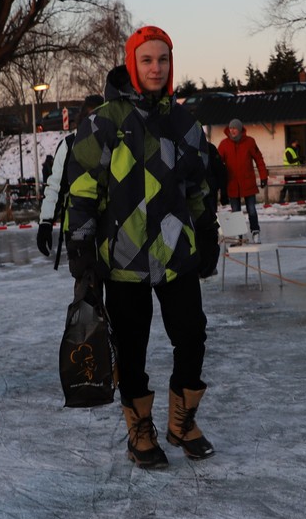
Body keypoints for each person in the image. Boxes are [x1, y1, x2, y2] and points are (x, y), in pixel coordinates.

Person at [63, 26, 219, 468]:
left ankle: (182, 422)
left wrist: (207, 232)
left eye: (163, 59)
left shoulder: (185, 123)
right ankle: (140, 429)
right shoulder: (104, 121)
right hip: (123, 257)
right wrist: (81, 246)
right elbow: (83, 189)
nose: (156, 68)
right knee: (131, 348)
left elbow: (198, 188)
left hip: (175, 252)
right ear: (132, 63)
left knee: (192, 336)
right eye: (147, 60)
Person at [37, 95, 104, 258]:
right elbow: (55, 186)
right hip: (78, 229)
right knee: (85, 272)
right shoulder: (68, 145)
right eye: (90, 118)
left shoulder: (115, 142)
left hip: (111, 228)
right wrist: (46, 222)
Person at [217, 118, 268, 240]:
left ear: (240, 129)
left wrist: (263, 176)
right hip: (232, 184)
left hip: (248, 182)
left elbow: (259, 159)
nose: (232, 130)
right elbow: (217, 163)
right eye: (231, 128)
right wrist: (219, 182)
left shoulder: (249, 142)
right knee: (236, 211)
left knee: (251, 209)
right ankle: (238, 235)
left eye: (234, 128)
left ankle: (255, 232)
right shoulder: (224, 144)